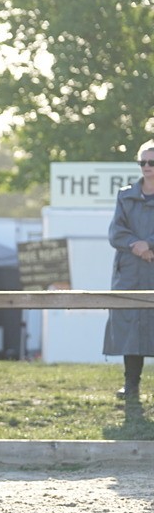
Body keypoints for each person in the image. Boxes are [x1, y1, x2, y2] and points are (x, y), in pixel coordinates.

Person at [104, 140, 154, 399]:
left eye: (151, 162)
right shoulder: (125, 195)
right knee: (129, 326)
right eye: (142, 162)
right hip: (130, 274)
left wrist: (151, 245)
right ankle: (131, 385)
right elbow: (115, 232)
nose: (146, 167)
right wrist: (136, 244)